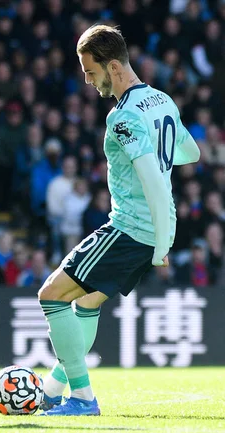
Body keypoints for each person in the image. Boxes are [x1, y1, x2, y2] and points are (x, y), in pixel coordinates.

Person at [38, 25, 200, 416]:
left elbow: (152, 181)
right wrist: (158, 161)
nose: (88, 81)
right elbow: (191, 152)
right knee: (87, 303)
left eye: (91, 72)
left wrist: (164, 241)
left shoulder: (123, 117)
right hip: (147, 232)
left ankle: (82, 398)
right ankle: (52, 388)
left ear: (114, 65)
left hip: (130, 228)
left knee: (50, 295)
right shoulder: (162, 101)